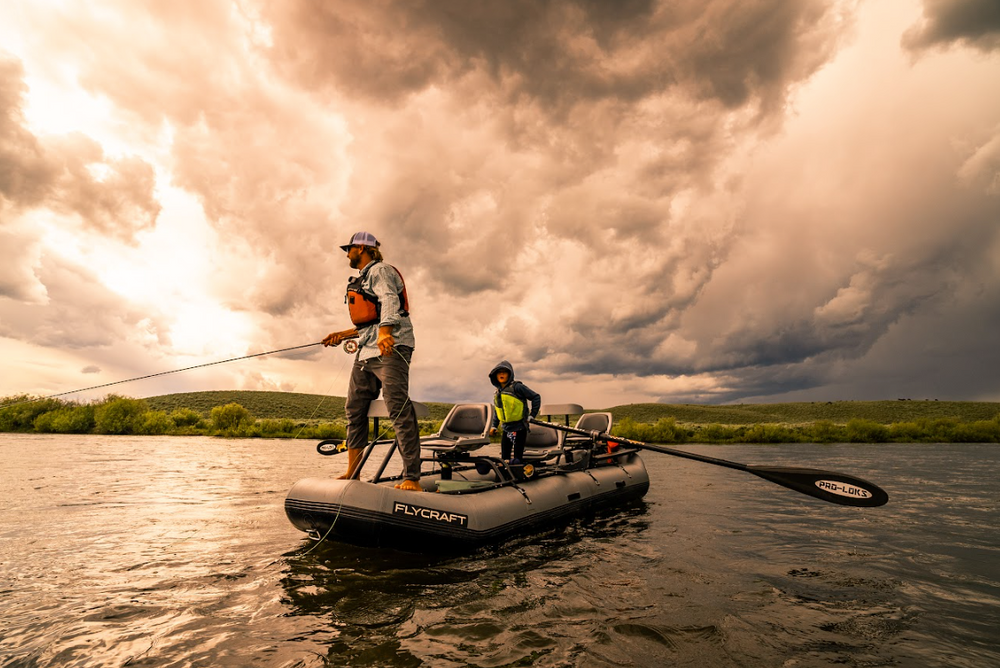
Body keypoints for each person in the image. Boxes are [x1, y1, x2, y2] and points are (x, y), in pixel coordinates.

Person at [322, 231, 422, 492]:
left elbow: (389, 301)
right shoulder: (363, 278)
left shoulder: (380, 270)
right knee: (354, 408)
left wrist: (386, 332)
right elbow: (369, 322)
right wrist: (342, 334)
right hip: (366, 352)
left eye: (350, 249)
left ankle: (411, 476)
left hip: (392, 347)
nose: (347, 254)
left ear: (362, 249)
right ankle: (352, 473)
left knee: (397, 407)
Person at [488, 360, 541, 465]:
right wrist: (494, 426)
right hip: (506, 429)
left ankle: (519, 471)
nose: (502, 374)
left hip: (520, 427)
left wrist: (532, 415)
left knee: (517, 458)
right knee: (504, 457)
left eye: (504, 372)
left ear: (510, 374)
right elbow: (498, 411)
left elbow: (536, 397)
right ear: (495, 375)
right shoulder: (497, 392)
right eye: (499, 372)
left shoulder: (517, 387)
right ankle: (505, 473)